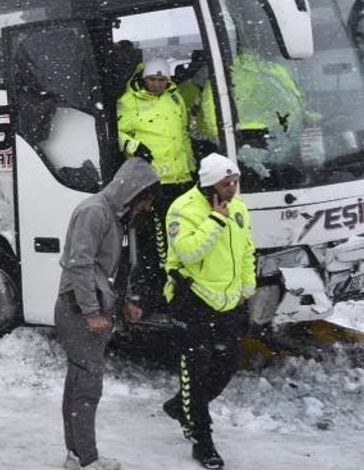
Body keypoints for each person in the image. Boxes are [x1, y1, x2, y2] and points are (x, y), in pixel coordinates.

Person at [56, 156, 159, 470]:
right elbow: (80, 264)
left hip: (91, 307)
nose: (148, 208)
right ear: (133, 192)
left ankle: (77, 455)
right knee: (87, 385)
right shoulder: (95, 212)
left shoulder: (117, 216)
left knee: (79, 382)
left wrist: (124, 300)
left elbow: (112, 268)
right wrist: (91, 312)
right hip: (78, 309)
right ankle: (86, 459)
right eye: (147, 201)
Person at [161, 154, 255, 470]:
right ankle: (203, 441)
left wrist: (246, 288)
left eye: (234, 182)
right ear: (208, 185)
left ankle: (179, 406)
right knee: (196, 373)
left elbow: (246, 250)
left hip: (228, 303)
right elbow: (187, 252)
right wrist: (215, 219)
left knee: (228, 363)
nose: (232, 188)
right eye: (225, 183)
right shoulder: (182, 210)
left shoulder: (239, 207)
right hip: (193, 302)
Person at [117, 59, 195, 315]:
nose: (158, 85)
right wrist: (134, 147)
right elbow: (117, 133)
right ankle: (158, 293)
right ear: (144, 78)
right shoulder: (130, 101)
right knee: (159, 243)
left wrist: (191, 168)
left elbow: (182, 136)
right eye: (153, 80)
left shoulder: (175, 99)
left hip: (181, 180)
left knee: (182, 237)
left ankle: (180, 290)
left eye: (163, 80)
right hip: (153, 183)